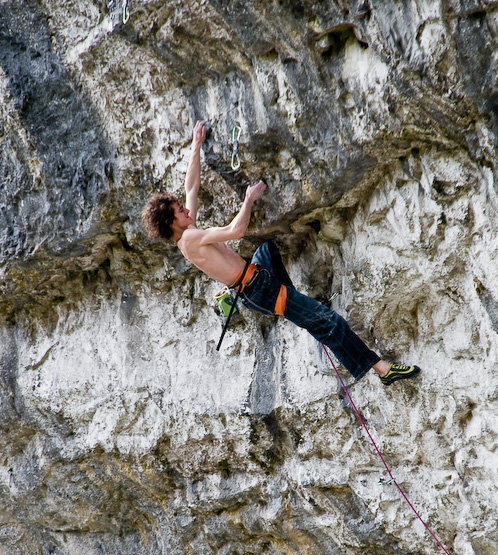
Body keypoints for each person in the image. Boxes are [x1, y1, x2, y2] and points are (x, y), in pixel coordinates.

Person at [141, 120, 420, 387]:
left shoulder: (186, 231)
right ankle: (382, 370)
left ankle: (304, 308)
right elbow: (236, 230)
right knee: (330, 323)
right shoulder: (190, 238)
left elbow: (191, 187)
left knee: (266, 250)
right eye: (180, 210)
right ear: (170, 222)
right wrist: (248, 201)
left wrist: (196, 144)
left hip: (256, 279)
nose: (186, 210)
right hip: (259, 291)